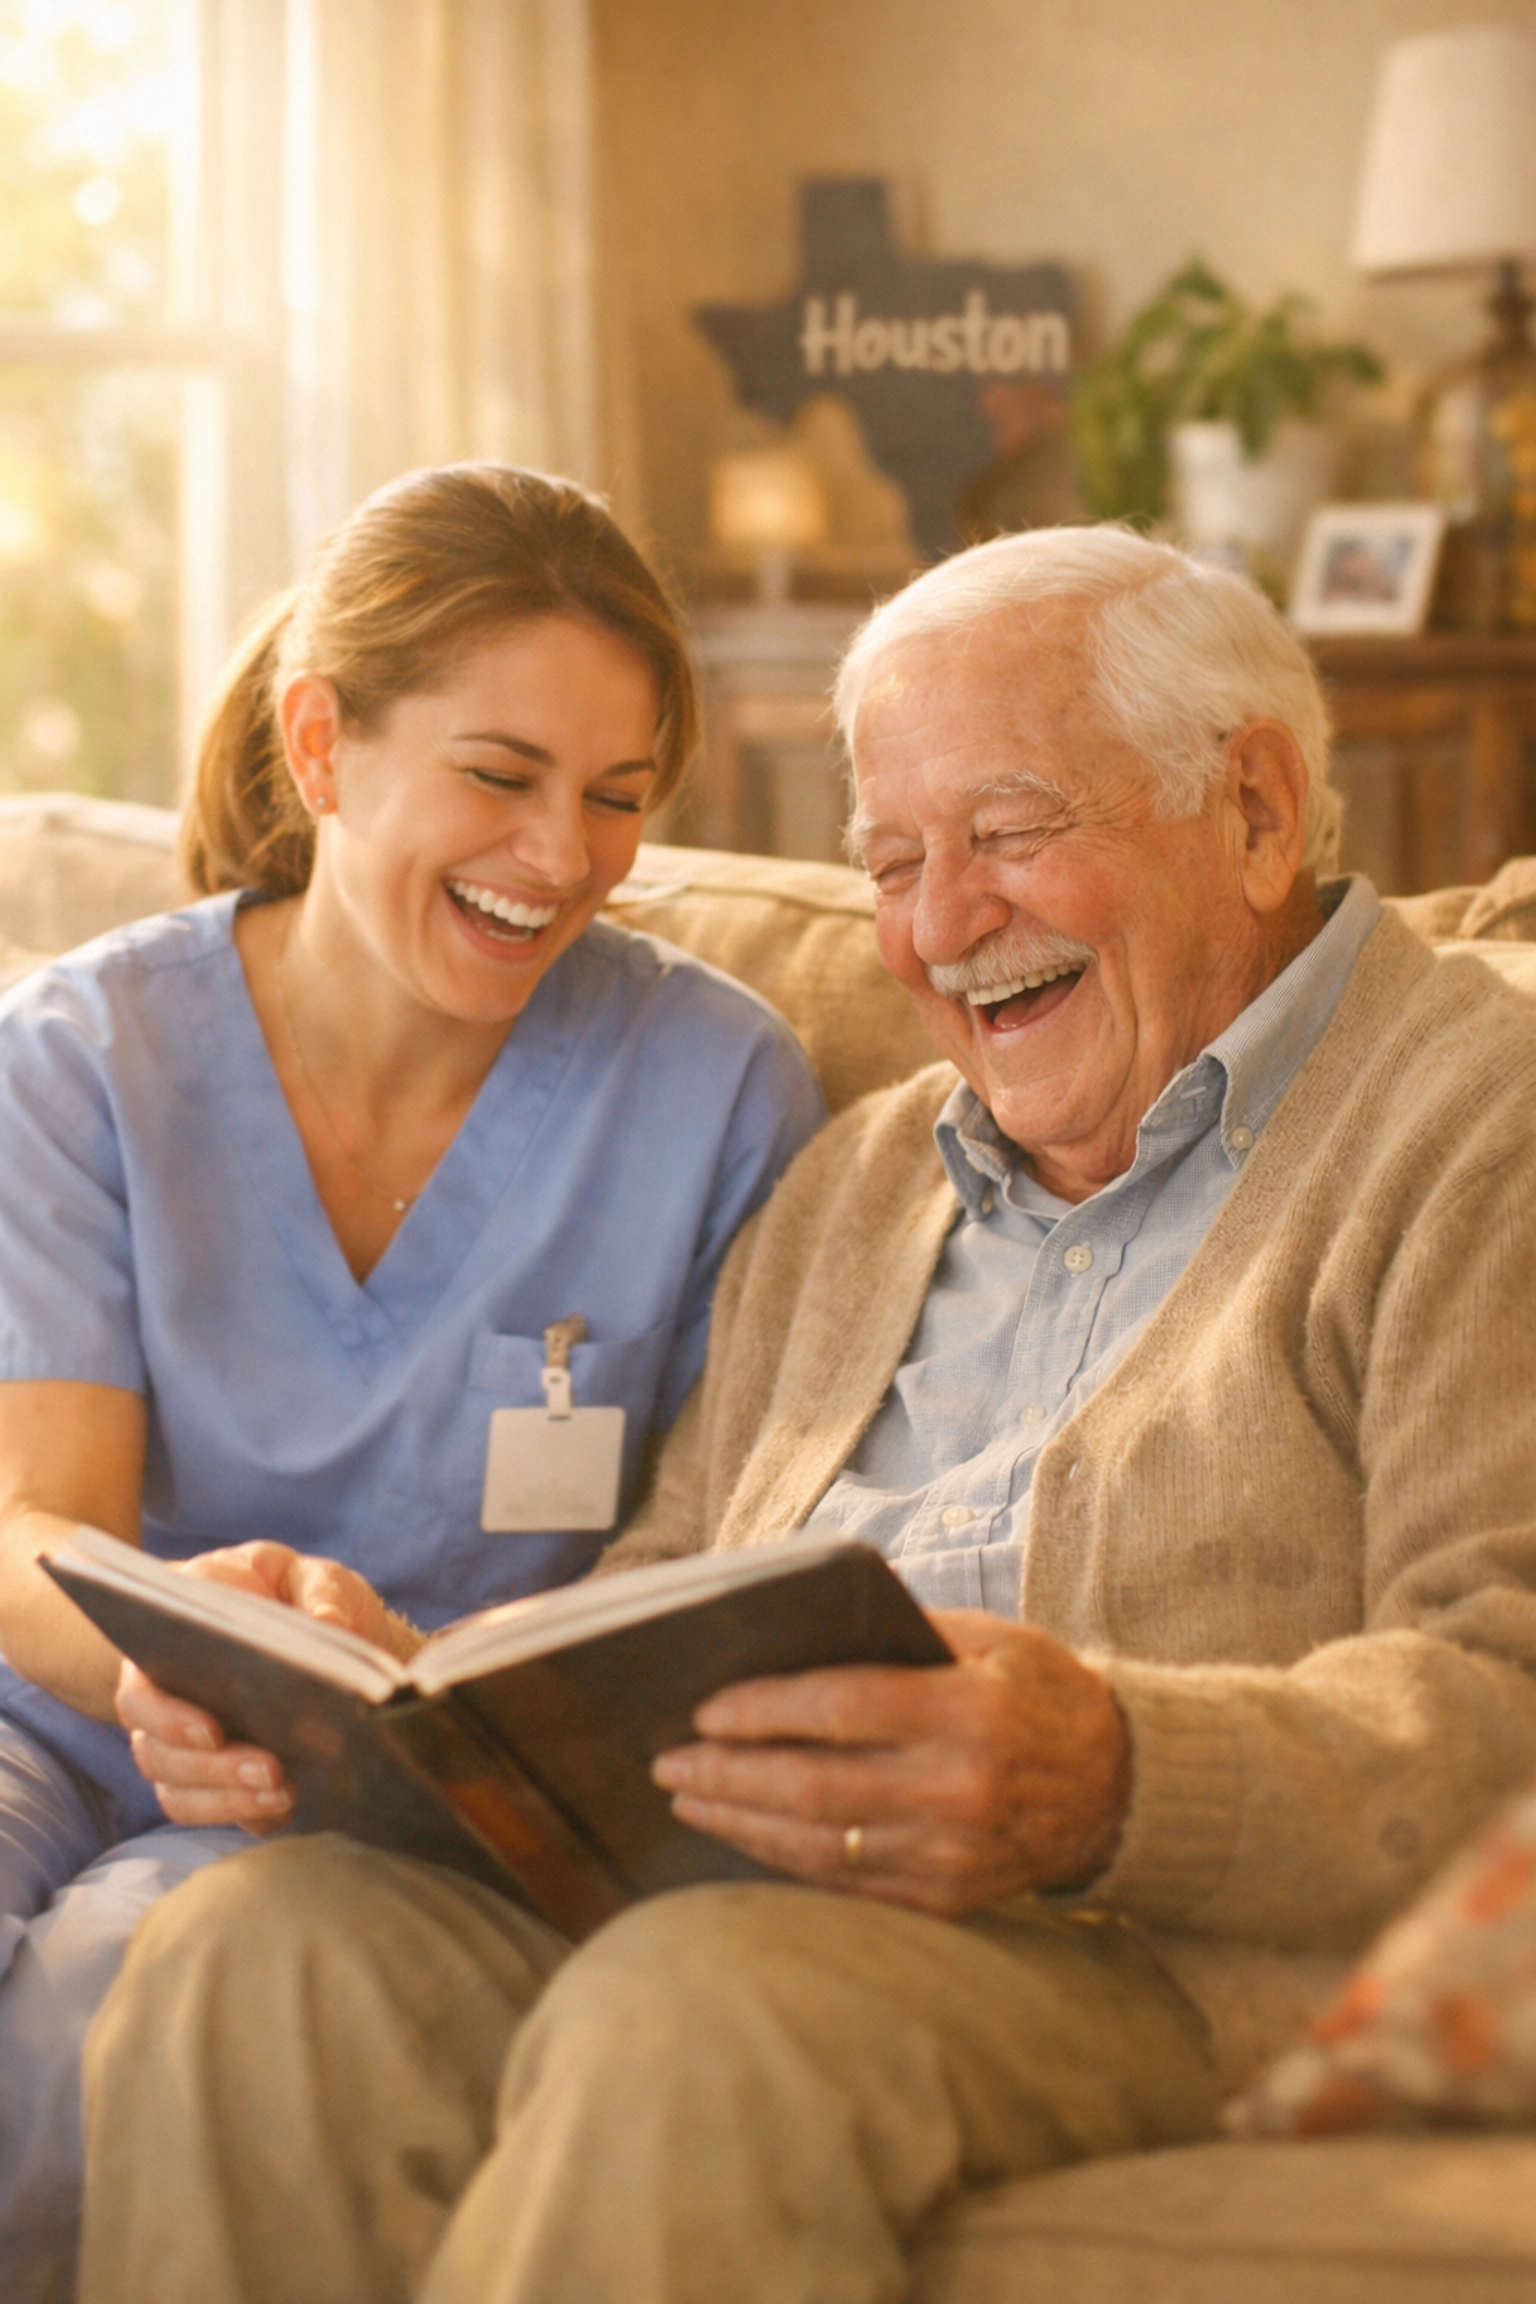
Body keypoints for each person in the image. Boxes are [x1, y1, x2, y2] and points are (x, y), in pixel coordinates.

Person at [77, 526, 1536, 2304]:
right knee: (259, 1947)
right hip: (734, 1890)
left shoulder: (1479, 1124)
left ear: (1252, 808)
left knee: (705, 2007)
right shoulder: (859, 1179)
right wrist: (417, 1698)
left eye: (1008, 833)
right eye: (893, 862)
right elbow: (669, 1573)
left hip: (1153, 1948)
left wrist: (1114, 1773)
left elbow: (1507, 1684)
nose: (940, 927)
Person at [0, 463, 822, 2297]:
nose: (562, 857)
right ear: (322, 745)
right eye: (501, 775)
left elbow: (720, 1557)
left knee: (104, 2007)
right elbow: (30, 1519)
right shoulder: (82, 1057)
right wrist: (155, 1662)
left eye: (616, 797)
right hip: (52, 1711)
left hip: (385, 1801)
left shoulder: (718, 1094)